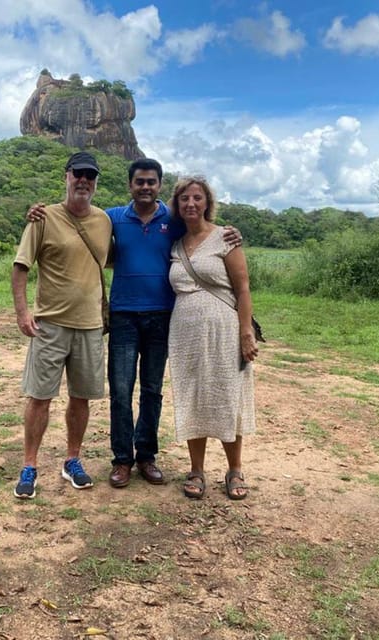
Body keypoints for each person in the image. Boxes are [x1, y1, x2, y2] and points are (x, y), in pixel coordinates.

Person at [28, 160, 241, 489]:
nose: (145, 187)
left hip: (162, 315)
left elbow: (203, 230)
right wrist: (36, 212)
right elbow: (77, 216)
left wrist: (231, 232)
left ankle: (146, 456)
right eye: (139, 181)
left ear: (159, 186)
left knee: (153, 391)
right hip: (124, 316)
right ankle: (122, 460)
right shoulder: (112, 218)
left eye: (151, 182)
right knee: (122, 392)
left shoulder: (173, 220)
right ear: (130, 185)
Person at [11, 151, 112, 499]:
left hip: (90, 326)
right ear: (66, 177)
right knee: (40, 397)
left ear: (96, 183)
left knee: (81, 397)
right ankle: (29, 464)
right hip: (50, 325)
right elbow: (21, 266)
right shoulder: (42, 218)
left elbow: (130, 237)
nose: (83, 180)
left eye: (90, 176)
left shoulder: (104, 221)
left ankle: (73, 459)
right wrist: (23, 313)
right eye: (78, 174)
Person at [166, 176, 258, 501]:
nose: (191, 204)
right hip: (185, 335)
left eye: (197, 198)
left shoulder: (225, 238)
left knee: (227, 395)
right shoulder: (175, 244)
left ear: (207, 203)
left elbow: (243, 288)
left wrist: (246, 332)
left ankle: (235, 469)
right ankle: (196, 469)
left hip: (224, 332)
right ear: (176, 205)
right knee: (193, 396)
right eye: (184, 199)